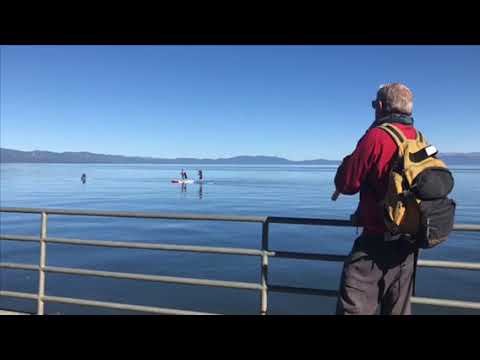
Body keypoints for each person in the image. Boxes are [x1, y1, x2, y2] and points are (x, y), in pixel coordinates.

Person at [333, 83, 418, 315]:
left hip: (375, 245)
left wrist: (348, 160)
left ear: (380, 106)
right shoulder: (419, 138)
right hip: (408, 247)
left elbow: (346, 184)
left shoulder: (376, 137)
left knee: (354, 309)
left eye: (374, 105)